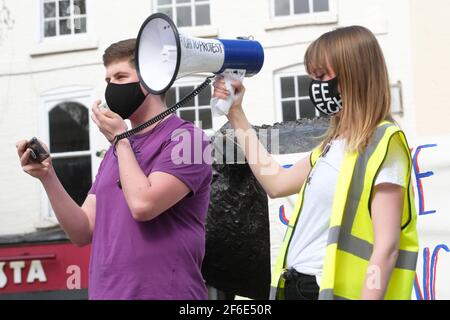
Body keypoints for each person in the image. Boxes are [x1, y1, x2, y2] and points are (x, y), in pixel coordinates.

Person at [212, 26, 418, 300]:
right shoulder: (332, 144)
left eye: (322, 76)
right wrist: (236, 113)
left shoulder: (383, 143)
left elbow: (386, 247)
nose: (316, 86)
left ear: (354, 74)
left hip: (329, 291)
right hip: (297, 285)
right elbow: (277, 183)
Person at [16, 39, 212, 300]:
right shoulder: (117, 151)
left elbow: (143, 205)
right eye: (108, 80)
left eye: (120, 76)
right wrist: (47, 176)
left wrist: (120, 140)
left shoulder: (190, 141)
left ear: (153, 79)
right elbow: (82, 230)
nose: (111, 87)